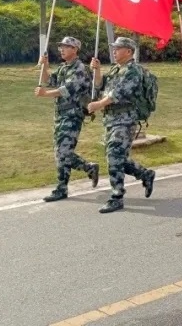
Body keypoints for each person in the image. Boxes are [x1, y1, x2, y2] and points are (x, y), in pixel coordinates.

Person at [87, 37, 156, 213]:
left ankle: (117, 197)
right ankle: (145, 174)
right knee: (116, 157)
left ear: (129, 51)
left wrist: (98, 105)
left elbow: (118, 94)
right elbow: (100, 85)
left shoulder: (133, 71)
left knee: (114, 156)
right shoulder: (116, 69)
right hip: (111, 119)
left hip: (125, 119)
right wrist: (97, 70)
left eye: (118, 48)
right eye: (114, 48)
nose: (114, 51)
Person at [35, 36, 99, 202]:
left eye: (66, 46)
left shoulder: (80, 69)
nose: (62, 49)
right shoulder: (64, 67)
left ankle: (62, 188)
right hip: (61, 115)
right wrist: (45, 66)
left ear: (75, 49)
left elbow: (66, 90)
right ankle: (88, 168)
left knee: (63, 152)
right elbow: (49, 80)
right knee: (61, 152)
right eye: (61, 47)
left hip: (72, 115)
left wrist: (45, 94)